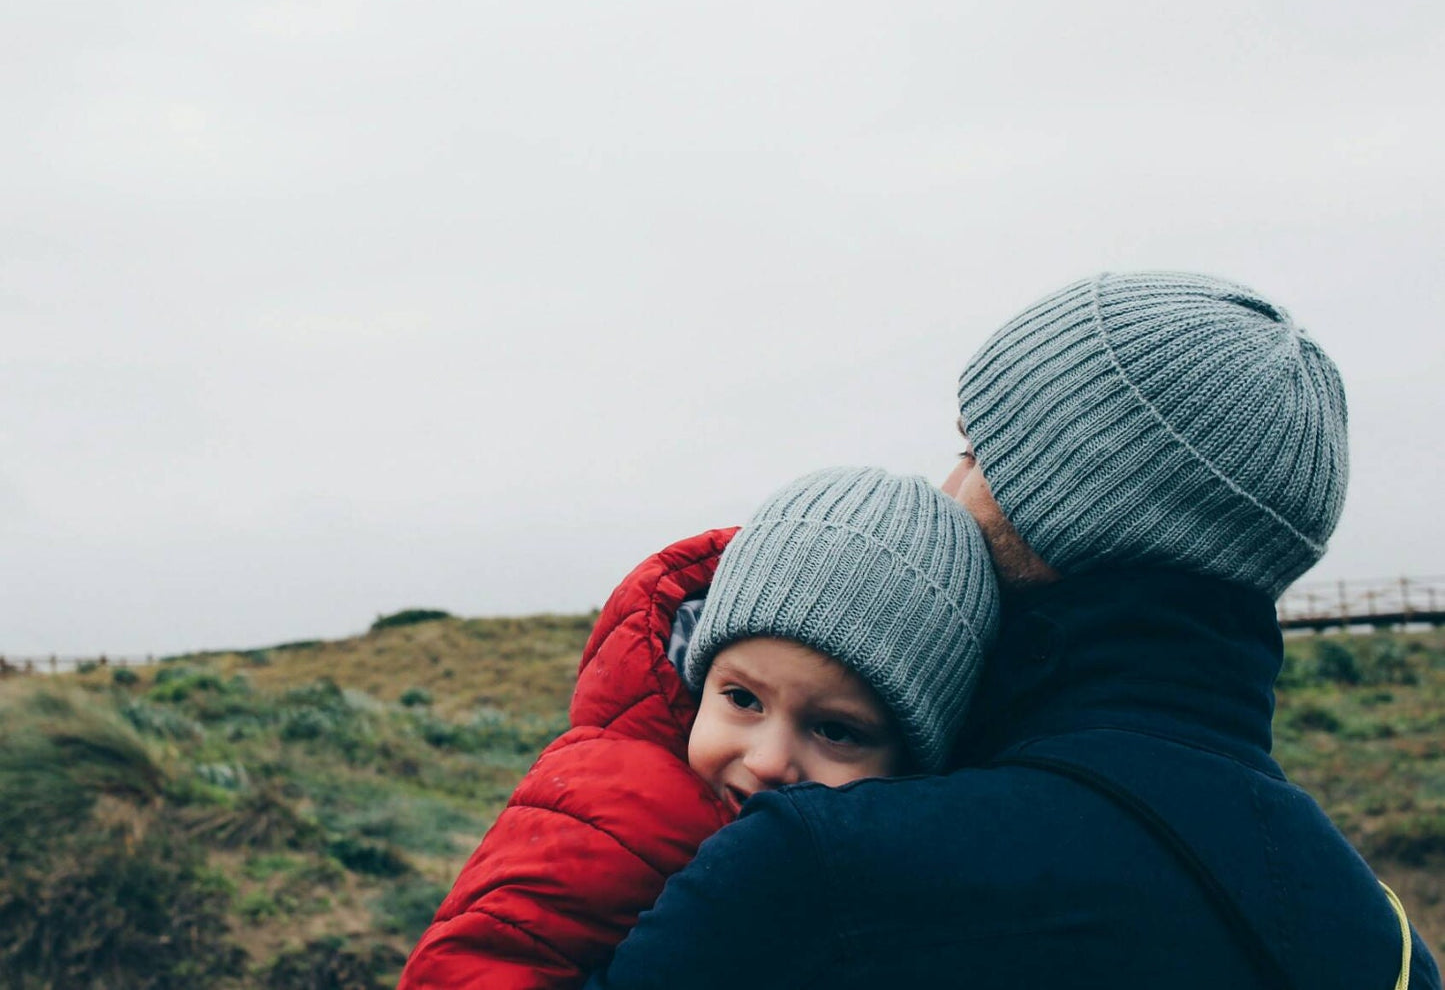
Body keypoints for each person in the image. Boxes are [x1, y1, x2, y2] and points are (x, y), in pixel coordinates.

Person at [583, 271, 1441, 990]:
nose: (949, 484)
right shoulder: (1387, 946)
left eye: (974, 448)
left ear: (1065, 505)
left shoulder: (812, 870)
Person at [399, 467, 999, 989]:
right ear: (698, 679)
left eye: (836, 732)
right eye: (742, 699)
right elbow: (477, 963)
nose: (768, 761)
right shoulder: (621, 807)